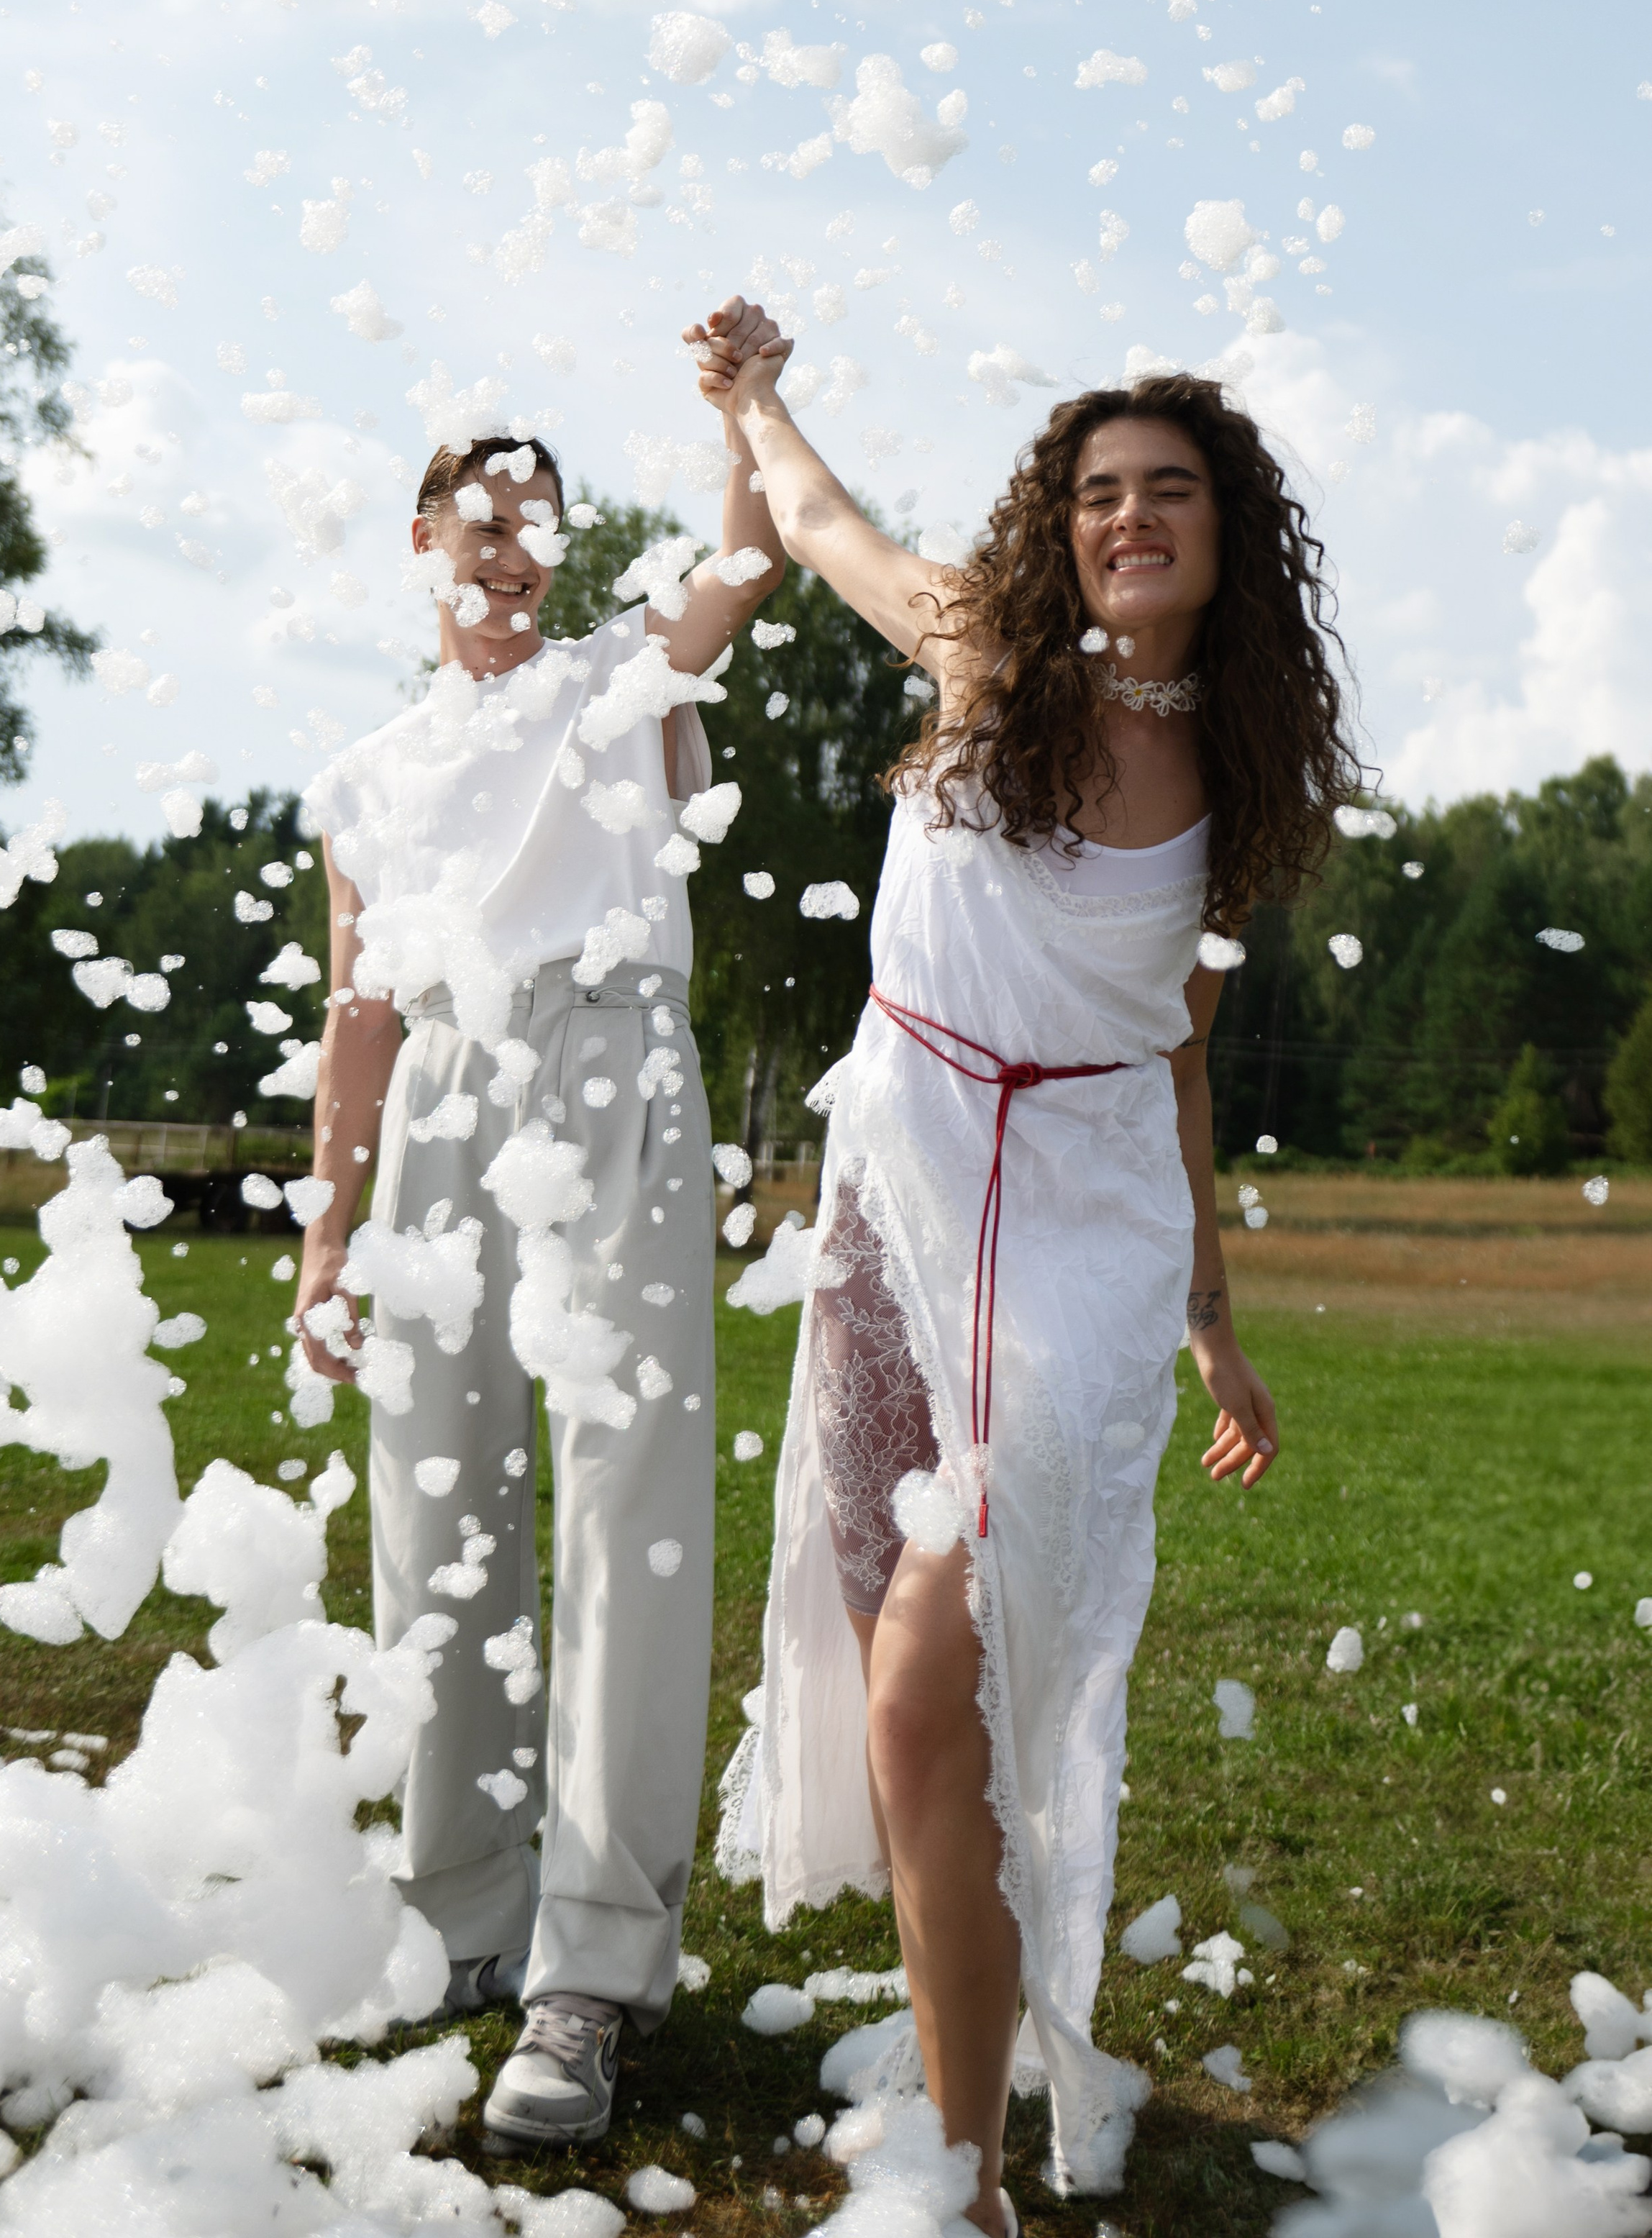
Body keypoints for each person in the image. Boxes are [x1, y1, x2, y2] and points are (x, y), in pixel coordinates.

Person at [690, 309, 1359, 2214]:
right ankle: (961, 2146)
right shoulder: (987, 663)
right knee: (912, 1678)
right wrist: (751, 402)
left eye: (1168, 492)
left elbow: (1179, 1066)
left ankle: (966, 2147)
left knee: (942, 1679)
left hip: (1081, 1235)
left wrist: (1216, 1326)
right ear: (1057, 529)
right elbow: (820, 527)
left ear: (1227, 539)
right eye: (1097, 493)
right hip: (902, 1187)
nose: (1128, 518)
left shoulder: (1234, 792)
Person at [291, 339, 784, 2150]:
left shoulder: (613, 681)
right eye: (477, 514)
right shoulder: (361, 770)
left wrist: (745, 413)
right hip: (436, 1095)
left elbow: (745, 561)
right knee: (432, 1514)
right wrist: (323, 1231)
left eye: (538, 520)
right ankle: (456, 1921)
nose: (508, 544)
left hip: (606, 1079)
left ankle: (588, 1967)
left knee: (620, 1516)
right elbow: (357, 1006)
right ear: (418, 537)